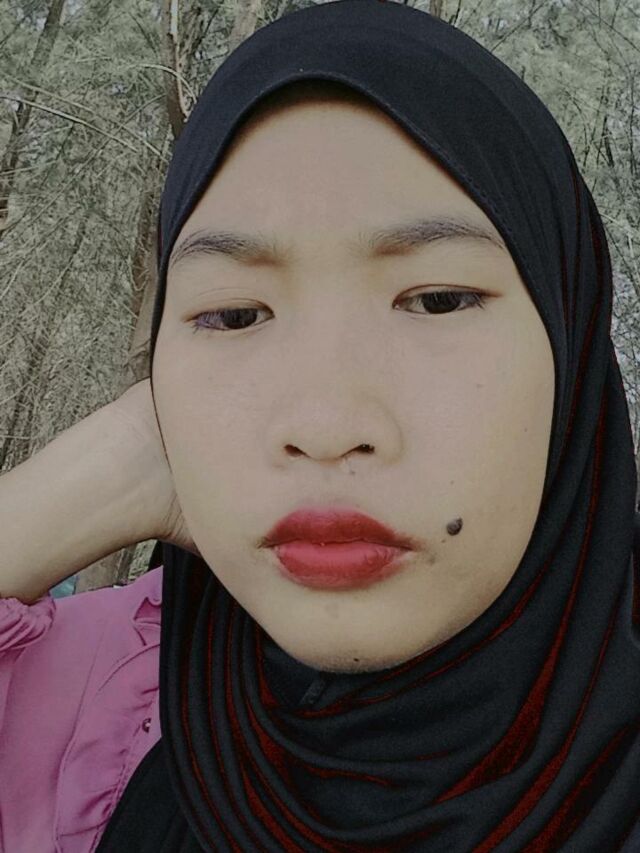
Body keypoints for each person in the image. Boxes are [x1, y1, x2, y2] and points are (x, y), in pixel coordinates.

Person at [1, 1, 639, 850]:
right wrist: (112, 468)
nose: (327, 426)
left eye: (437, 299)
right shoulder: (99, 702)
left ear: (570, 346)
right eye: (233, 315)